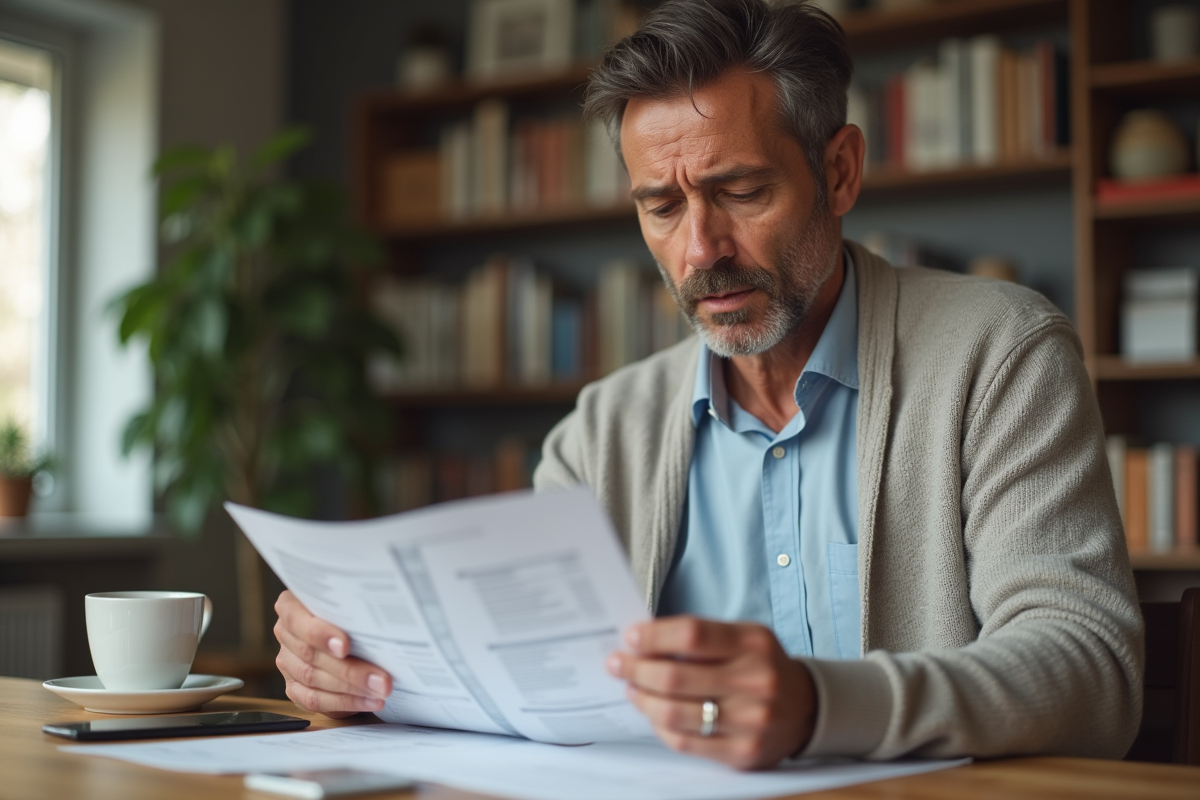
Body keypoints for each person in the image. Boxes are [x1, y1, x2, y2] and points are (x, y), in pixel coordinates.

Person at [272, 0, 1142, 770]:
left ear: (838, 173)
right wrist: (362, 670)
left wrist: (818, 708)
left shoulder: (1000, 352)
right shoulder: (599, 433)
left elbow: (1089, 669)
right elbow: (524, 682)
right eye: (662, 206)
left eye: (741, 190)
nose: (700, 250)